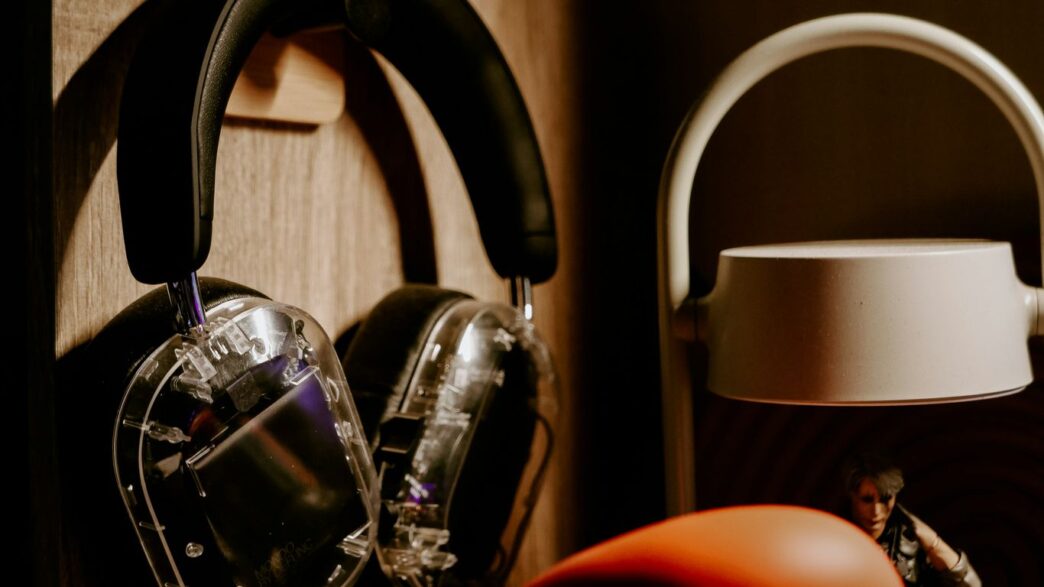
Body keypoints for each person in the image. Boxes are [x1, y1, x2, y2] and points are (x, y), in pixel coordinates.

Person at [842, 453, 982, 587]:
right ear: (852, 495)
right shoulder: (837, 537)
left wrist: (932, 541)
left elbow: (970, 585)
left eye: (886, 499)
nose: (876, 511)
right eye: (867, 500)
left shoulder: (910, 542)